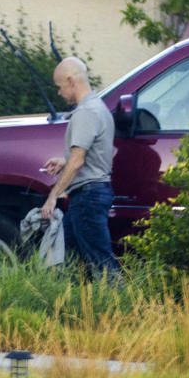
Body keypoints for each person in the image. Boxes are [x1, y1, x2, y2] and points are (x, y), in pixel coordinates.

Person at [41, 56, 121, 275]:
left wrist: (53, 195)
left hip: (88, 197)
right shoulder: (99, 108)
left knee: (101, 263)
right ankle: (73, 305)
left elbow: (78, 161)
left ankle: (125, 306)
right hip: (93, 195)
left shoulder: (85, 112)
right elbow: (93, 155)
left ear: (70, 80)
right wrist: (65, 161)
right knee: (68, 261)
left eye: (59, 87)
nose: (59, 93)